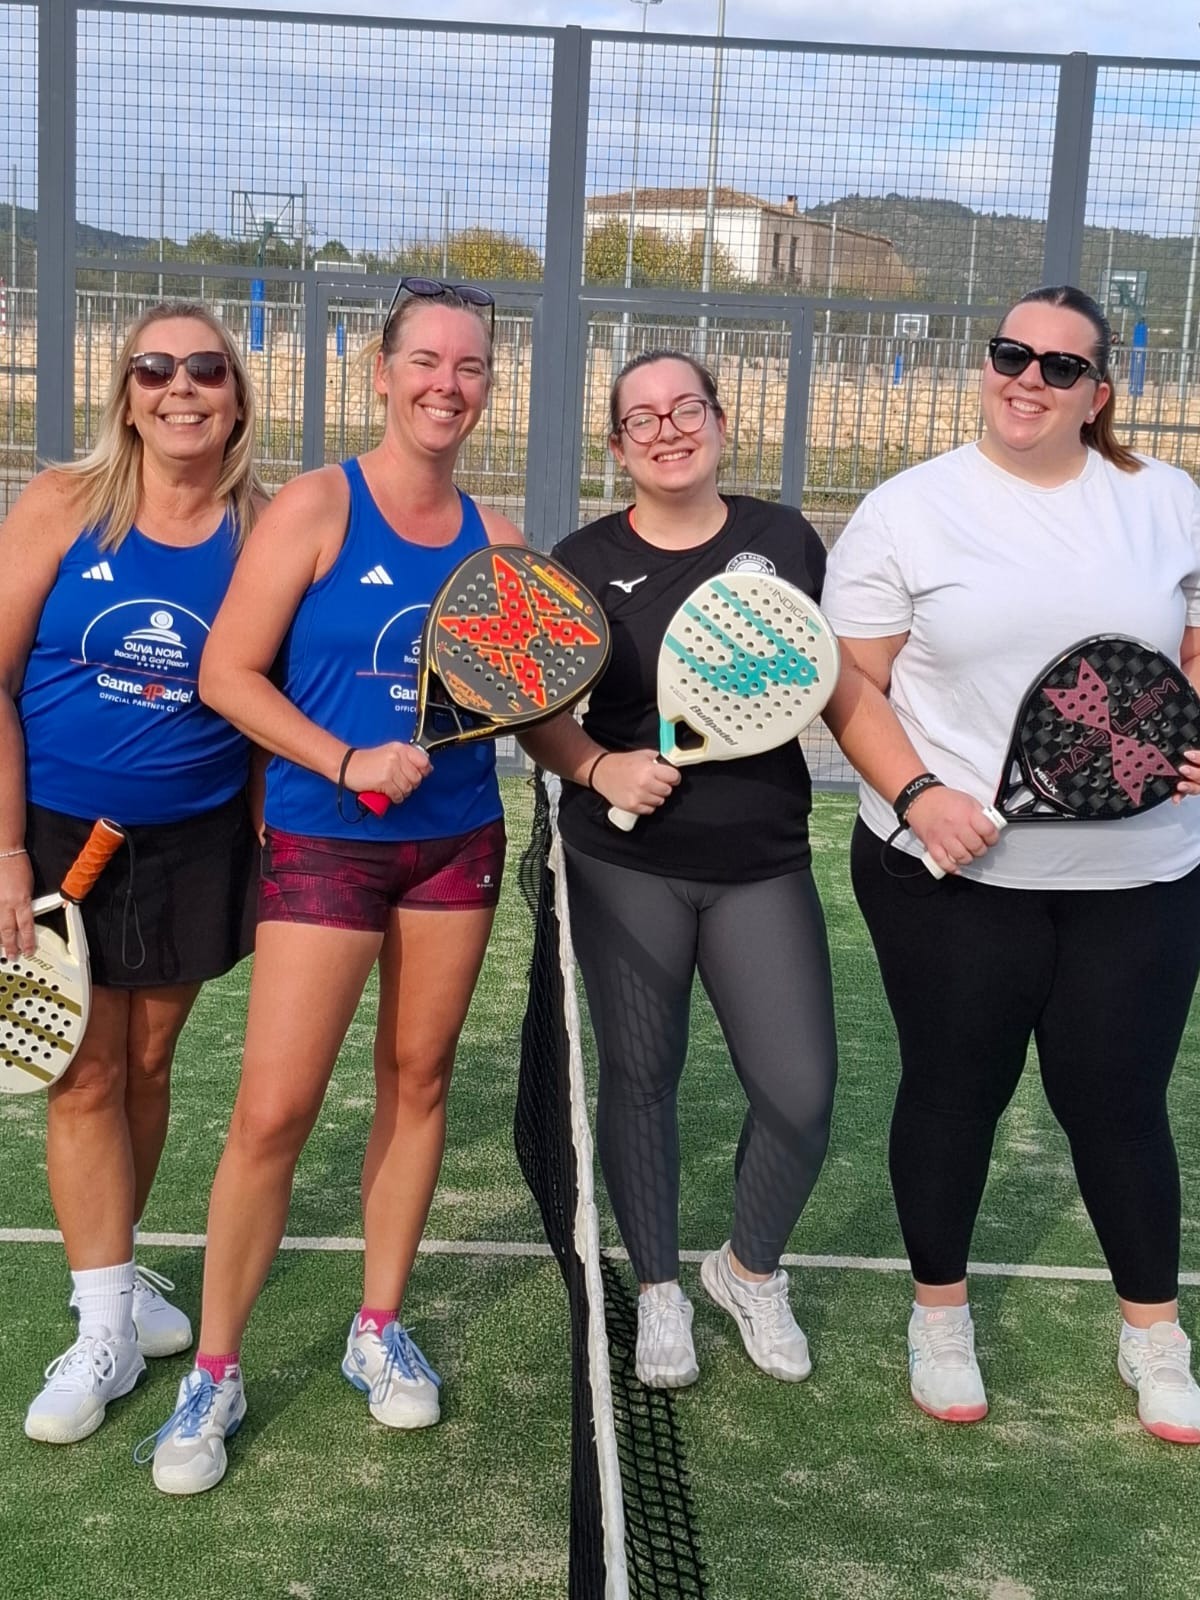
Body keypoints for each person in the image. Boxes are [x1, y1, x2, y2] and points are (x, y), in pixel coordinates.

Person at [141, 279, 520, 1495]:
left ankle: (377, 1325)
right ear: (382, 370)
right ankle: (215, 1370)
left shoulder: (498, 538)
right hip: (325, 842)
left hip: (456, 844)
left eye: (469, 365)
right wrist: (346, 760)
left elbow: (533, 695)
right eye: (427, 361)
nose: (446, 385)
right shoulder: (316, 506)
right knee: (273, 1111)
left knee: (419, 1080)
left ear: (489, 384)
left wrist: (604, 760)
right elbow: (227, 673)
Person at [821, 285, 1200, 1443]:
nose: (1027, 378)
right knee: (954, 1093)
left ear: (1098, 394)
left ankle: (1155, 1335)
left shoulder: (1167, 500)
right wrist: (920, 796)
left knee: (1118, 1104)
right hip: (947, 876)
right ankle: (939, 1317)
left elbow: (1192, 646)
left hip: (1142, 877)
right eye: (1009, 354)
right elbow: (849, 681)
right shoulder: (907, 510)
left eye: (1058, 366)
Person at [520, 350, 838, 1390]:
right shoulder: (579, 559)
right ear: (617, 446)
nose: (668, 431)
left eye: (686, 409)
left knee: (799, 1094)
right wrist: (598, 765)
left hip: (760, 859)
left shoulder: (784, 539)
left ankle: (748, 1270)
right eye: (643, 419)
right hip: (623, 861)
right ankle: (659, 1288)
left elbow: (823, 680)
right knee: (642, 1079)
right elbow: (540, 716)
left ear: (720, 421)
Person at [0, 302, 265, 1445]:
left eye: (205, 368)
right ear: (126, 393)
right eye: (154, 368)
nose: (180, 387)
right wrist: (6, 851)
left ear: (237, 398)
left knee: (148, 1063)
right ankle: (103, 1325)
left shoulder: (262, 530)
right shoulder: (62, 504)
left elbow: (274, 702)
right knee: (83, 1074)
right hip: (57, 834)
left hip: (197, 839)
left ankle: (114, 1276)